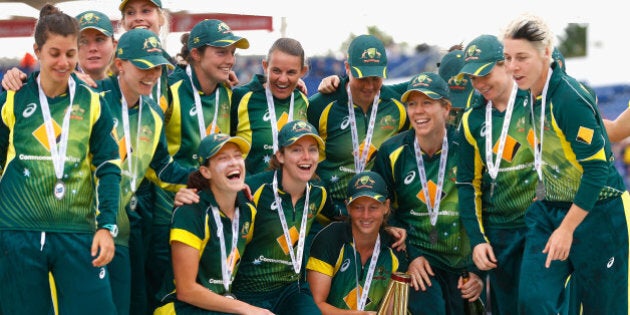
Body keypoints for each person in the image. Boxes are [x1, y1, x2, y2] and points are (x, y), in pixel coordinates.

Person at [502, 13, 629, 314]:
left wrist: (567, 229)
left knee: (604, 308)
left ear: (546, 54)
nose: (512, 66)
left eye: (521, 57)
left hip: (598, 212)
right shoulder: (525, 97)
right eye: (507, 58)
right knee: (533, 302)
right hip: (550, 210)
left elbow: (598, 169)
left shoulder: (568, 99)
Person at [0, 5, 120, 314]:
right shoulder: (13, 98)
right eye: (54, 53)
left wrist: (107, 225)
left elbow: (109, 167)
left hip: (78, 230)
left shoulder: (92, 103)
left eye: (70, 53)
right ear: (37, 50)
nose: (63, 62)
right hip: (17, 232)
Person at [146, 18, 250, 312]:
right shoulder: (169, 88)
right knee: (165, 293)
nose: (229, 60)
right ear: (195, 54)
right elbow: (153, 158)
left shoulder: (230, 93)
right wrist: (191, 183)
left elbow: (233, 151)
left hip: (210, 210)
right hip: (169, 208)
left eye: (232, 52)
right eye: (221, 52)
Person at [99, 28, 195, 315]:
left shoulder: (152, 112)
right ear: (119, 64)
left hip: (122, 230)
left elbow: (163, 168)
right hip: (82, 226)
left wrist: (203, 178)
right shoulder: (94, 99)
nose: (152, 74)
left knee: (132, 305)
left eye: (157, 67)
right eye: (143, 66)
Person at [372, 72, 483, 315]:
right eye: (412, 104)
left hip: (462, 265)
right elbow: (380, 209)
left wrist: (479, 270)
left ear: (446, 108)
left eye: (427, 103)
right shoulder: (392, 151)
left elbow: (485, 207)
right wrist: (409, 256)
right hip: (420, 260)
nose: (418, 111)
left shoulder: (468, 148)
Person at [456, 34, 535, 314]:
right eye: (472, 78)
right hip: (499, 233)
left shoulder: (535, 99)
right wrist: (478, 240)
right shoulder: (472, 120)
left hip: (540, 225)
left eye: (485, 74)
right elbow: (467, 185)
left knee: (539, 303)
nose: (478, 84)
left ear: (505, 65)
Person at [153, 133, 273, 315]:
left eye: (237, 156)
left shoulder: (248, 210)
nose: (233, 162)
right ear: (206, 171)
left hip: (220, 304)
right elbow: (186, 290)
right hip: (180, 307)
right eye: (223, 158)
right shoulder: (190, 211)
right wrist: (248, 309)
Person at [230, 120, 334, 315]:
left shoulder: (319, 193)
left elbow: (344, 218)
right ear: (280, 155)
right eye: (296, 150)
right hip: (249, 292)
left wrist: (388, 227)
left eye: (312, 149)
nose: (306, 157)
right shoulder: (254, 190)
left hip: (291, 290)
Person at [307, 34, 409, 218]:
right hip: (328, 216)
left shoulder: (397, 104)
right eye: (362, 77)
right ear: (347, 68)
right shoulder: (320, 106)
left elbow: (433, 84)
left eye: (376, 78)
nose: (369, 86)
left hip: (375, 215)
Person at [306, 171, 403, 314]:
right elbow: (315, 305)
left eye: (373, 207)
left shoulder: (394, 246)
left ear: (386, 207)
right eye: (358, 207)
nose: (365, 215)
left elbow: (393, 309)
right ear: (348, 207)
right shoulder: (330, 238)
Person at [231, 37, 309, 175]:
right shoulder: (240, 97)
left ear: (302, 71)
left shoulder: (303, 101)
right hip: (250, 194)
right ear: (265, 66)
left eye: (291, 72)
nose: (283, 79)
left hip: (291, 193)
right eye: (276, 71)